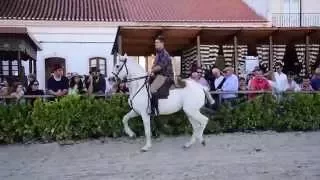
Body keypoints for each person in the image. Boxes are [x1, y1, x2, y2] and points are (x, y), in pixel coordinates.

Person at [149, 35, 174, 116]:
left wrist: (151, 71)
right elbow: (154, 65)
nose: (155, 44)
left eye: (157, 42)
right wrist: (152, 72)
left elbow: (160, 67)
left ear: (162, 43)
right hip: (158, 76)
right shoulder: (158, 54)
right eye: (155, 43)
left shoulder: (165, 54)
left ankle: (155, 110)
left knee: (152, 88)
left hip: (166, 76)